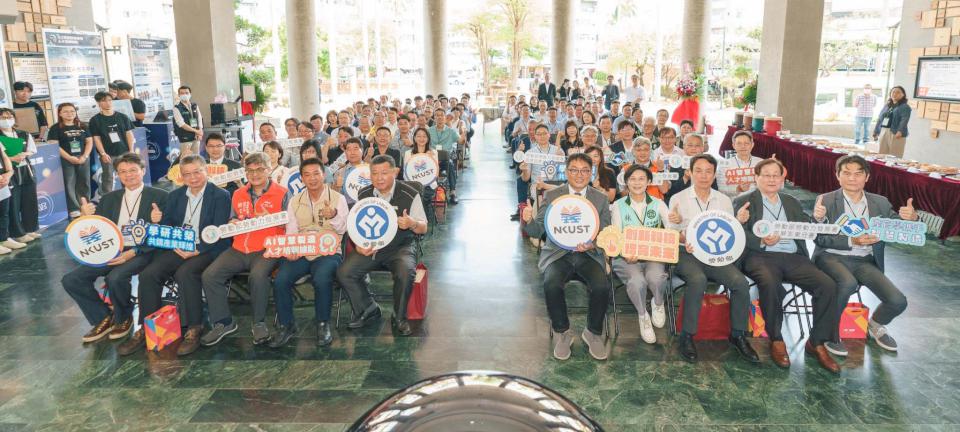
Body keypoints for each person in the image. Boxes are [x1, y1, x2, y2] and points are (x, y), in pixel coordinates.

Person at [734, 158, 841, 373]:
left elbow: (806, 227)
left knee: (828, 285)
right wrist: (743, 224)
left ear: (783, 178)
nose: (771, 179)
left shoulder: (791, 201)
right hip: (759, 256)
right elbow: (736, 234)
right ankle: (776, 339)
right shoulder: (744, 201)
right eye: (766, 175)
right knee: (770, 282)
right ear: (757, 177)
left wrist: (818, 219)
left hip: (793, 256)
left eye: (776, 175)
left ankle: (817, 342)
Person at [119, 154, 231, 356]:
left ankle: (194, 328)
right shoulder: (175, 196)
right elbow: (168, 225)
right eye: (187, 174)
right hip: (178, 246)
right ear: (181, 176)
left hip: (207, 247)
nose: (193, 178)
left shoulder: (220, 195)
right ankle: (146, 328)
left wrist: (197, 249)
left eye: (197, 172)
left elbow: (219, 231)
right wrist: (157, 221)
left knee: (185, 273)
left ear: (206, 171)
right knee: (148, 274)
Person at [813, 155, 918, 356]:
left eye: (858, 174)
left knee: (897, 301)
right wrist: (819, 220)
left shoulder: (880, 202)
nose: (852, 178)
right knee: (847, 283)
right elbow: (819, 238)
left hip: (864, 261)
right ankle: (829, 333)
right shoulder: (826, 200)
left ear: (867, 177)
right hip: (831, 257)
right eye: (846, 173)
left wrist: (911, 219)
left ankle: (875, 325)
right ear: (837, 176)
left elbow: (897, 228)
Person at [60, 153, 167, 344]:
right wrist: (85, 217)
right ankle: (103, 317)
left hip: (144, 250)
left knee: (115, 277)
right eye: (122, 171)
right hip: (111, 249)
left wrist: (154, 226)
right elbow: (97, 228)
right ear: (117, 175)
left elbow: (165, 233)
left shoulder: (160, 196)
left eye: (133, 170)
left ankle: (124, 317)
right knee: (72, 279)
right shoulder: (109, 198)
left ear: (143, 171)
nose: (128, 175)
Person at [666, 154, 758, 364]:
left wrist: (738, 221)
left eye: (708, 171)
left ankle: (738, 334)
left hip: (715, 256)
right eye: (698, 171)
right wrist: (682, 234)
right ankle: (687, 336)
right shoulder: (677, 198)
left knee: (740, 283)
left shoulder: (723, 200)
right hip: (686, 253)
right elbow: (671, 234)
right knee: (697, 280)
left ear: (715, 174)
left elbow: (729, 231)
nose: (703, 175)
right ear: (690, 173)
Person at [522, 153, 612, 361]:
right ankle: (563, 332)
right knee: (551, 284)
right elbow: (537, 231)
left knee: (601, 286)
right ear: (566, 171)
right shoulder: (553, 195)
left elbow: (606, 231)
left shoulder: (600, 198)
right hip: (558, 254)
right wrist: (528, 220)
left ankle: (593, 332)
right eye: (574, 170)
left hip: (589, 254)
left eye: (585, 171)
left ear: (592, 173)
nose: (579, 175)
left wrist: (593, 243)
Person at [200, 152, 287, 347]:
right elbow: (232, 218)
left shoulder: (282, 192)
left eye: (260, 169)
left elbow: (290, 225)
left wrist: (272, 219)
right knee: (210, 275)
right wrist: (232, 223)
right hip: (239, 247)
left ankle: (259, 323)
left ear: (269, 170)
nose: (255, 174)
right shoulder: (238, 193)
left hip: (268, 247)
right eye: (250, 170)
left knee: (257, 276)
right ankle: (224, 322)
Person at [337, 155, 429, 336]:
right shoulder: (364, 193)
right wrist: (358, 245)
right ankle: (368, 308)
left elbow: (423, 227)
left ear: (395, 172)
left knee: (405, 271)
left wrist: (412, 223)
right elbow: (355, 225)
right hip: (372, 247)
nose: (379, 178)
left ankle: (399, 317)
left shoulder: (410, 193)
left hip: (400, 247)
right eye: (374, 173)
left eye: (384, 173)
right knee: (344, 272)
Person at [271, 157, 349, 348]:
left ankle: (323, 324)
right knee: (281, 279)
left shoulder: (338, 199)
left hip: (328, 251)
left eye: (316, 174)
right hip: (302, 250)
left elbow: (344, 229)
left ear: (324, 175)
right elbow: (291, 231)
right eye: (307, 175)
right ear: (302, 178)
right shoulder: (295, 201)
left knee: (321, 278)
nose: (312, 178)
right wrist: (291, 250)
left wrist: (334, 215)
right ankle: (286, 325)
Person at [610, 164, 670, 344]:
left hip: (652, 255)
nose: (637, 183)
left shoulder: (658, 204)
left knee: (656, 278)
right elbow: (616, 235)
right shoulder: (618, 205)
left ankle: (658, 303)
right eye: (632, 179)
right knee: (637, 282)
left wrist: (676, 221)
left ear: (649, 181)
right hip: (626, 257)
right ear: (626, 182)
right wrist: (625, 252)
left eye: (641, 179)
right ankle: (643, 316)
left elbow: (671, 230)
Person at [0, 108, 39, 245]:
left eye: (9, 117)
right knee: (13, 203)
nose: (7, 120)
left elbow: (32, 150)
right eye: (3, 117)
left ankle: (30, 228)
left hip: (25, 170)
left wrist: (24, 154)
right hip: (8, 172)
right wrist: (12, 159)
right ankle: (17, 233)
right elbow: (3, 156)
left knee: (29, 200)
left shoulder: (23, 134)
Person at [48, 103, 93, 218]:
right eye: (66, 111)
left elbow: (89, 141)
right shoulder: (55, 128)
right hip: (66, 159)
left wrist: (85, 156)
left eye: (72, 111)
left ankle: (85, 205)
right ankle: (74, 208)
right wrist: (69, 157)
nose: (70, 114)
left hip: (83, 158)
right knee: (69, 183)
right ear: (60, 113)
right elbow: (55, 145)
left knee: (84, 182)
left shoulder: (83, 126)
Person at [717, 130, 763, 197]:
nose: (743, 146)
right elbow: (721, 188)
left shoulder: (761, 163)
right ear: (733, 145)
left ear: (752, 145)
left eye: (746, 143)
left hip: (756, 200)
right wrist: (738, 189)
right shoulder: (724, 165)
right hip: (734, 201)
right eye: (739, 143)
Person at [428, 109, 460, 205]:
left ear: (445, 117)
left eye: (441, 115)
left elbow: (460, 141)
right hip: (432, 160)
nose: (439, 117)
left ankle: (453, 192)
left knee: (450, 164)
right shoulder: (429, 130)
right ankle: (429, 192)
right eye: (437, 115)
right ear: (434, 118)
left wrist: (463, 136)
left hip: (445, 161)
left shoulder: (451, 131)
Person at [873, 85, 911, 158]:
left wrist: (900, 131)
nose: (895, 94)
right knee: (881, 154)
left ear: (903, 95)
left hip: (895, 132)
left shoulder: (905, 106)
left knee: (894, 155)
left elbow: (904, 119)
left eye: (898, 92)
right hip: (884, 131)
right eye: (893, 92)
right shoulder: (887, 105)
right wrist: (876, 131)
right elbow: (880, 118)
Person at [172, 85, 203, 155]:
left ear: (190, 94)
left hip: (196, 137)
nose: (184, 95)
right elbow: (181, 124)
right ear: (179, 95)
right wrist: (196, 131)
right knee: (186, 158)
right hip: (185, 138)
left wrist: (200, 131)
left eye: (186, 93)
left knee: (196, 157)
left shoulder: (194, 105)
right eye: (182, 93)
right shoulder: (177, 108)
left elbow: (199, 118)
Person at [0, 148, 15, 254]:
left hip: (2, 180)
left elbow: (4, 157)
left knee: (3, 213)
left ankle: (3, 239)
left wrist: (9, 174)